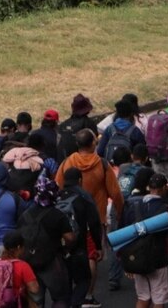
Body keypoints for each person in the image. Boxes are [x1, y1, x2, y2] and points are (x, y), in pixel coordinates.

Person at [54, 129, 121, 307]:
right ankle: (88, 295)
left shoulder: (67, 163)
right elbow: (115, 192)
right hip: (95, 218)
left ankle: (72, 292)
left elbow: (57, 187)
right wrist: (120, 213)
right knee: (91, 255)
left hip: (69, 219)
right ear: (93, 143)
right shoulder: (102, 164)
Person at [119, 174, 168, 308]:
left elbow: (123, 233)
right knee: (159, 299)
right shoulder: (167, 209)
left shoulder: (133, 206)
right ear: (164, 188)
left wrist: (125, 260)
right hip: (158, 259)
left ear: (149, 188)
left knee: (143, 298)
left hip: (137, 257)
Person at [18, 177, 74, 308]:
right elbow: (70, 238)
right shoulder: (57, 215)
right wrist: (66, 249)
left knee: (36, 300)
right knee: (61, 297)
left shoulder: (25, 215)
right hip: (52, 261)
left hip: (29, 263)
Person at [58, 167, 103, 306]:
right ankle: (76, 303)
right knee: (84, 280)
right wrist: (98, 245)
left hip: (59, 248)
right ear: (79, 180)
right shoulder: (84, 196)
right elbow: (94, 222)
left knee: (64, 284)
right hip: (79, 246)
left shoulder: (56, 196)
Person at [58, 95, 97, 162]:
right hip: (82, 160)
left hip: (63, 161)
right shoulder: (89, 123)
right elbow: (95, 141)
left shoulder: (63, 125)